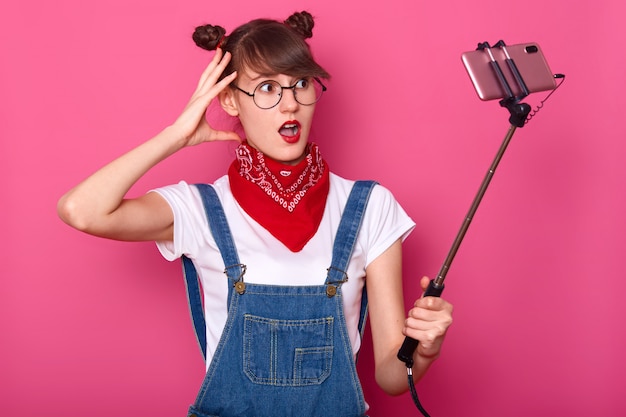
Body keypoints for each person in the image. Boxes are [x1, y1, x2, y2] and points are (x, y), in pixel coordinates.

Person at [57, 10, 453, 417]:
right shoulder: (200, 209)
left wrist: (424, 348)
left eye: (300, 84)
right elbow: (81, 211)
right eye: (266, 88)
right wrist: (176, 136)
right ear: (229, 99)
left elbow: (391, 378)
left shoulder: (370, 207)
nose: (291, 105)